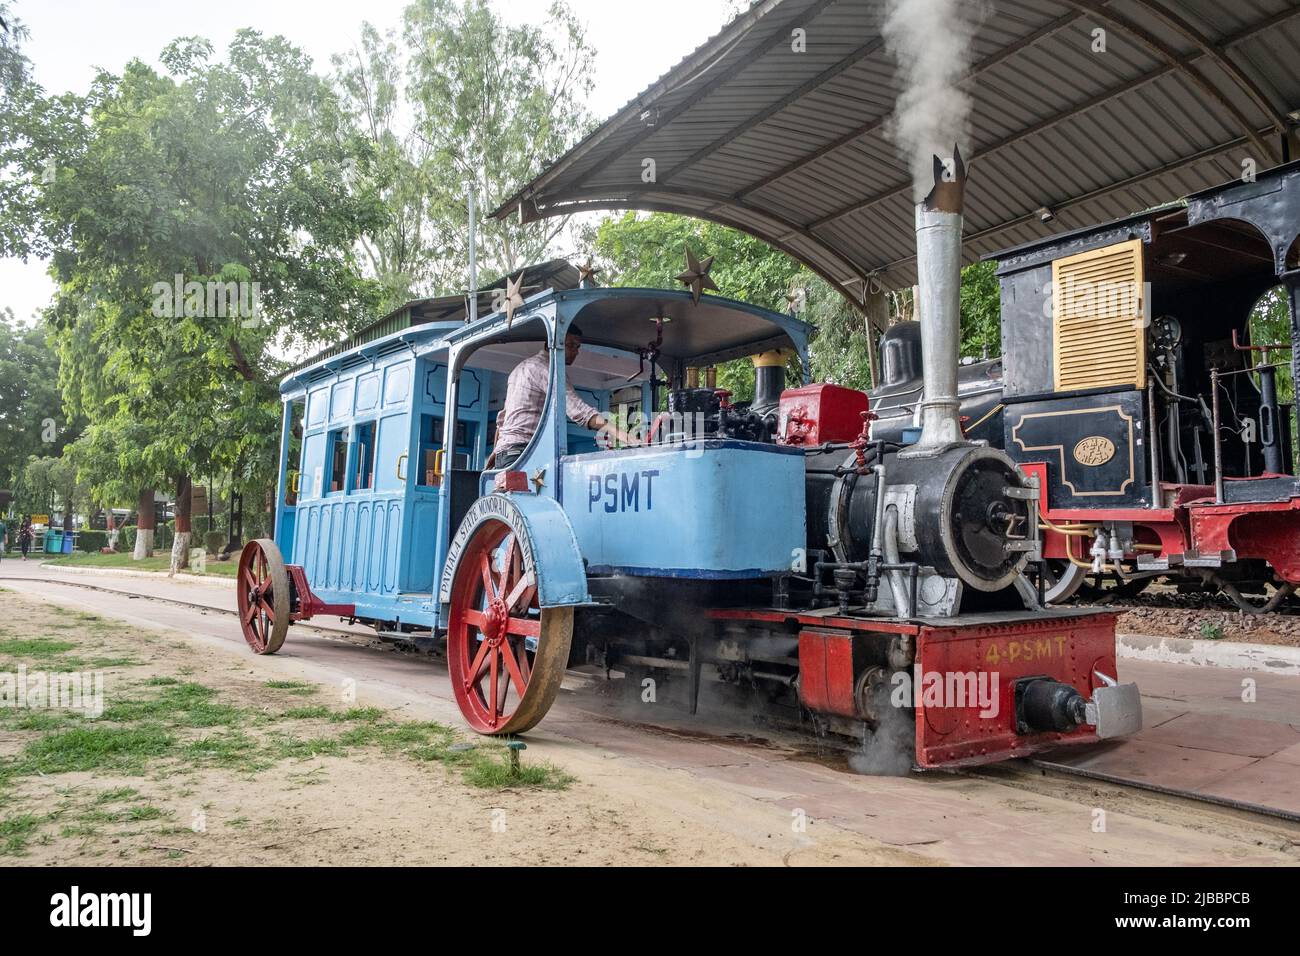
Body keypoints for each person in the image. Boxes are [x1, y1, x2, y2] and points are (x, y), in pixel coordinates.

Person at [489, 323, 639, 469]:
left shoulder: (520, 368)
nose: (576, 351)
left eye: (577, 346)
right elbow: (579, 411)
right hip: (524, 452)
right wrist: (622, 434)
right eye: (571, 345)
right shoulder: (547, 369)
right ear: (554, 343)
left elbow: (503, 419)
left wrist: (496, 452)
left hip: (507, 453)